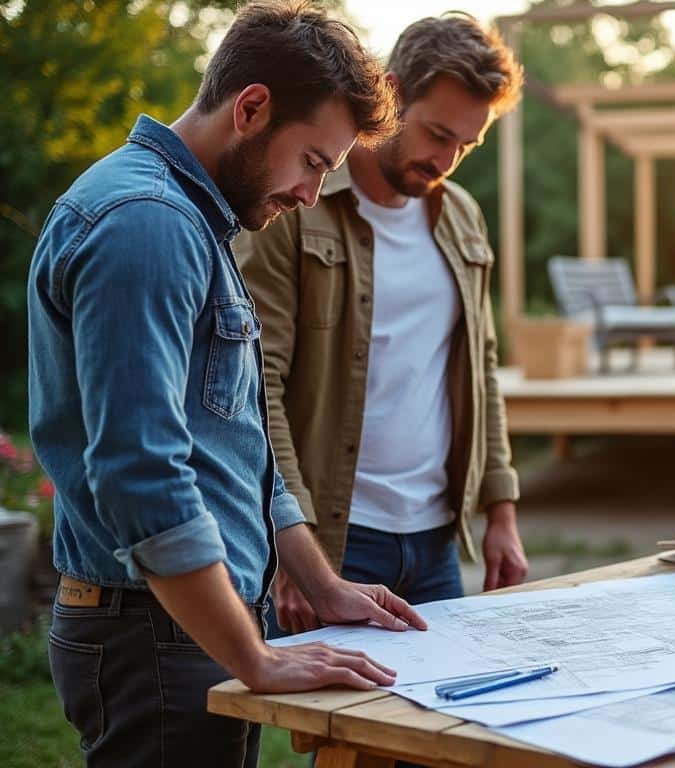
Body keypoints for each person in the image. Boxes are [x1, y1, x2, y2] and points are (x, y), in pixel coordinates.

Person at [27, 3, 427, 766]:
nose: (312, 194)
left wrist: (321, 582)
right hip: (151, 632)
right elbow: (142, 476)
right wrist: (257, 658)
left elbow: (234, 442)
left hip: (181, 624)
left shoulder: (194, 223)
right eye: (313, 161)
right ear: (251, 109)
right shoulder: (146, 224)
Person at [236, 13, 528, 636]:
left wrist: (500, 511)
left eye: (465, 146)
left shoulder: (464, 220)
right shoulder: (295, 207)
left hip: (436, 541)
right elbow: (255, 387)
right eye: (436, 134)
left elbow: (481, 368)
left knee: (440, 726)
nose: (446, 159)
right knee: (337, 728)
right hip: (338, 540)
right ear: (391, 95)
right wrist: (296, 549)